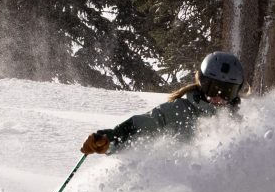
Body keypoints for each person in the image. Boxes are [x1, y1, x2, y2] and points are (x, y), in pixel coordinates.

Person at [80, 51, 245, 155]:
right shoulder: (178, 111)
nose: (218, 97)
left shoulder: (245, 121)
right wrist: (108, 140)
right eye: (212, 88)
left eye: (227, 91)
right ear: (201, 82)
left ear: (237, 91)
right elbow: (138, 126)